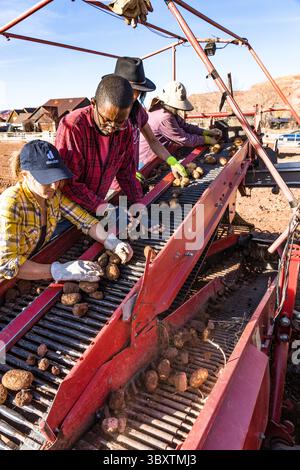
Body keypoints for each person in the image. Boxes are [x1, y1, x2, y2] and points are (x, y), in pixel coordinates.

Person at [0, 140, 133, 282]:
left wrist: (111, 241)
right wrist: (61, 270)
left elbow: (84, 221)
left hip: (33, 264)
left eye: (57, 178)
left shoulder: (53, 196)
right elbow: (7, 264)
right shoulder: (11, 203)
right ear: (25, 175)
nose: (54, 185)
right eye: (46, 179)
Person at [55, 74, 143, 214]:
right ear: (94, 104)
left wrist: (139, 205)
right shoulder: (73, 127)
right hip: (68, 209)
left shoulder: (125, 129)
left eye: (119, 121)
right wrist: (105, 208)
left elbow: (126, 173)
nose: (112, 127)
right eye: (106, 119)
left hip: (96, 203)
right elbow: (69, 183)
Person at [114, 56, 187, 179]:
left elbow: (152, 140)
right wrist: (121, 171)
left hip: (131, 175)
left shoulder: (138, 111)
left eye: (136, 91)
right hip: (113, 181)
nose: (133, 95)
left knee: (129, 198)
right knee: (119, 198)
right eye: (129, 90)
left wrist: (172, 161)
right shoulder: (108, 116)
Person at [139, 81, 222, 166]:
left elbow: (185, 126)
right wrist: (206, 139)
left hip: (159, 153)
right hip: (147, 159)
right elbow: (183, 139)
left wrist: (206, 132)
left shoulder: (167, 110)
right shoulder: (164, 116)